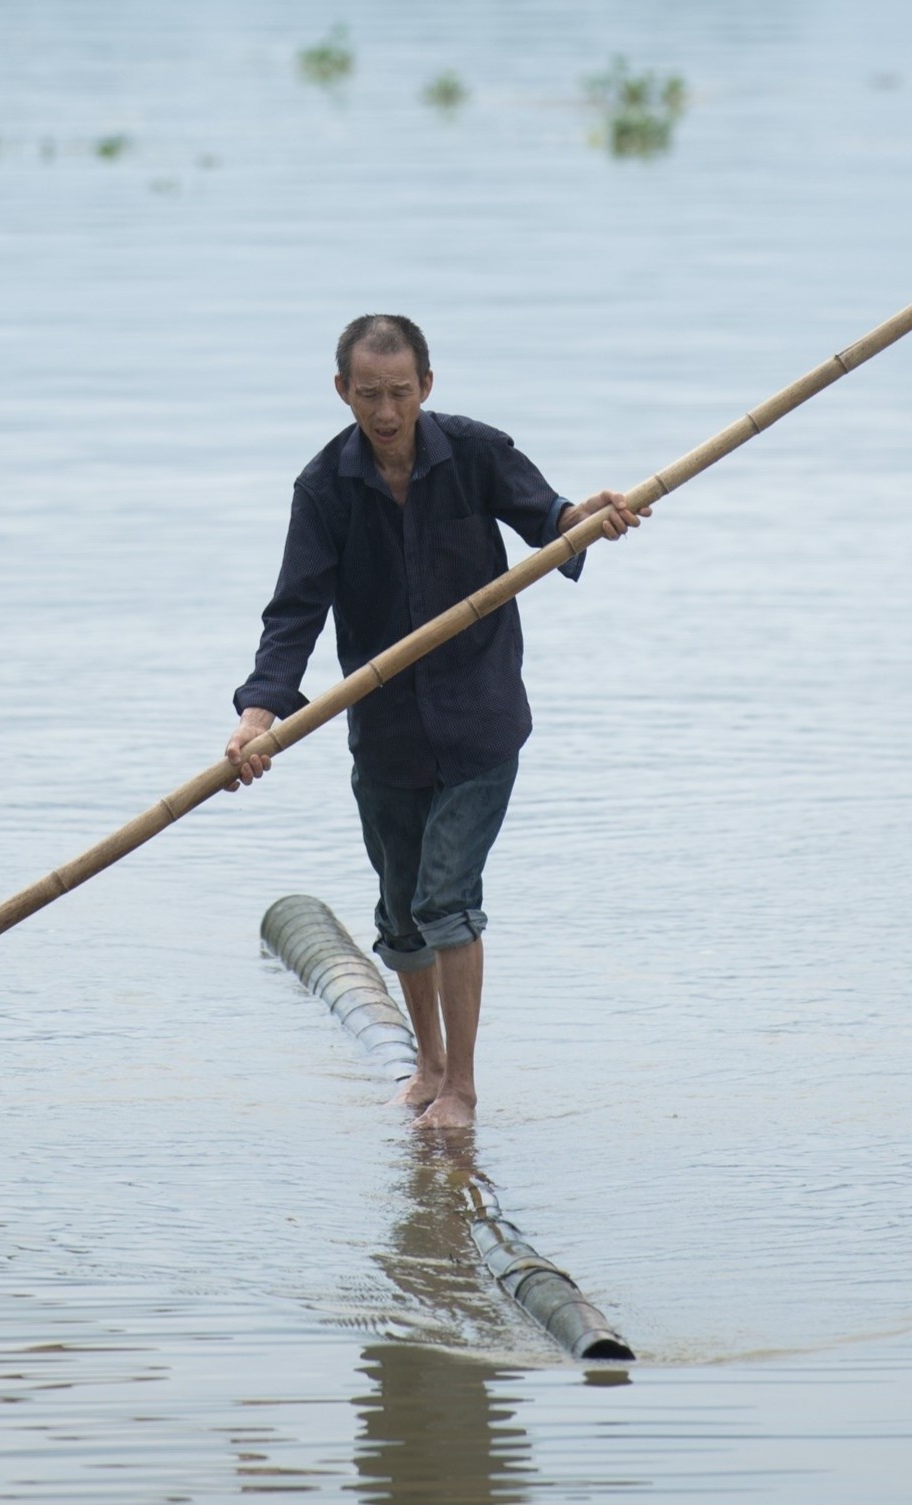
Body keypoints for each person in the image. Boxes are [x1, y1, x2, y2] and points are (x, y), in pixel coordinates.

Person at [224, 314, 645, 1128]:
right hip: (385, 733)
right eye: (369, 394)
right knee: (400, 916)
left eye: (400, 393)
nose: (386, 412)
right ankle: (428, 1066)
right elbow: (294, 614)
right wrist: (256, 717)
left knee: (446, 898)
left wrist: (582, 519)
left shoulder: (474, 452)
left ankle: (462, 1091)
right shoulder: (323, 488)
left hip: (478, 720)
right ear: (342, 391)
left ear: (426, 385)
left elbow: (549, 518)